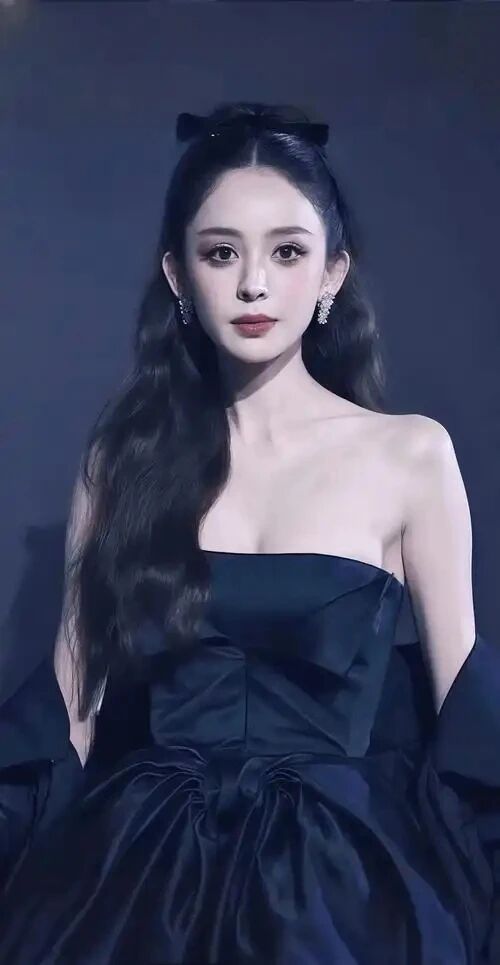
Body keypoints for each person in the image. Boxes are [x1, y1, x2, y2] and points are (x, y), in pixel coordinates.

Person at [0, 100, 499, 965]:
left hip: (342, 883)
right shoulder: (122, 463)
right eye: (221, 252)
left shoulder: (410, 454)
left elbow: (466, 715)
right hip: (139, 870)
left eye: (288, 252)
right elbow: (68, 715)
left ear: (334, 273)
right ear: (178, 274)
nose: (254, 285)